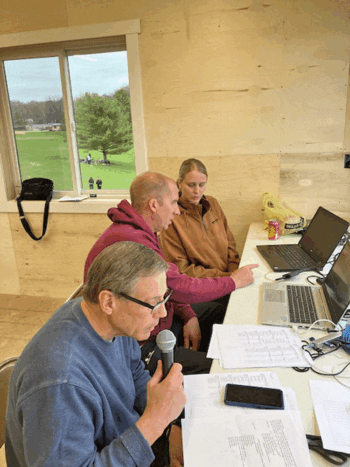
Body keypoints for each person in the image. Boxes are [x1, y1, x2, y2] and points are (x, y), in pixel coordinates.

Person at [5, 242, 186, 467]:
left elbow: (135, 373)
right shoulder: (60, 381)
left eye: (164, 299)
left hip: (127, 443)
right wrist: (156, 422)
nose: (163, 312)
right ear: (108, 301)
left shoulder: (114, 323)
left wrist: (170, 421)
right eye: (153, 303)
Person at [84, 172, 258, 373]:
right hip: (138, 343)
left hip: (157, 318)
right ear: (153, 205)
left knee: (217, 310)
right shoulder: (132, 240)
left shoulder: (141, 232)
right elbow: (177, 285)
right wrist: (233, 281)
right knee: (218, 369)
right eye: (174, 203)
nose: (177, 211)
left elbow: (165, 285)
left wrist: (189, 315)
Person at [160, 158, 239, 311]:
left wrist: (234, 270)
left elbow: (230, 243)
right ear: (179, 184)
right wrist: (226, 277)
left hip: (229, 279)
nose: (197, 191)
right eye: (191, 185)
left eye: (202, 185)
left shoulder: (213, 204)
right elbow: (182, 270)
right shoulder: (171, 218)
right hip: (203, 290)